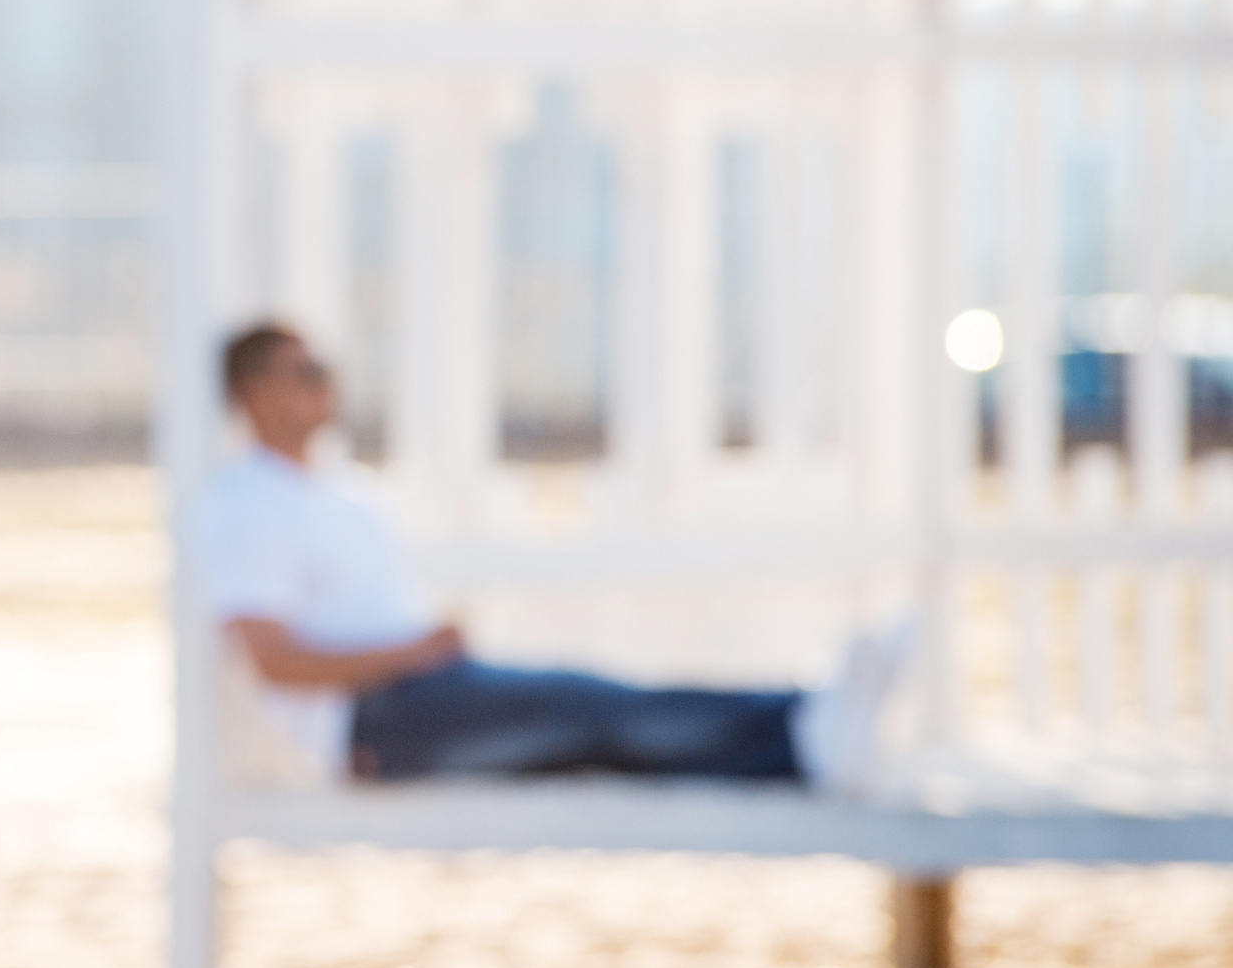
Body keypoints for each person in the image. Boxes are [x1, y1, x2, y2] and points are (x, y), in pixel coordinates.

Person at [191, 322, 902, 793]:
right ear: (254, 393)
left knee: (598, 716)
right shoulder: (244, 505)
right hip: (378, 725)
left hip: (420, 693)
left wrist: (422, 650)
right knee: (588, 708)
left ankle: (804, 731)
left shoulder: (343, 492)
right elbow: (272, 660)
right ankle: (804, 720)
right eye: (304, 371)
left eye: (325, 368)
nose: (324, 383)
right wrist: (410, 652)